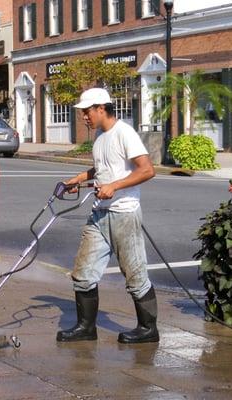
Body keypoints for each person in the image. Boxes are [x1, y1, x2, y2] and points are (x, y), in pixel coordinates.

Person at [56, 88, 158, 344]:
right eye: (82, 113)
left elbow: (147, 170)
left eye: (87, 112)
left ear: (101, 108)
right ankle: (86, 328)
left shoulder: (124, 133)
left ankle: (148, 329)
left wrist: (115, 187)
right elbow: (101, 168)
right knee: (83, 272)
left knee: (134, 275)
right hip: (99, 214)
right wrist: (77, 180)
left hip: (124, 214)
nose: (84, 117)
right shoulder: (100, 135)